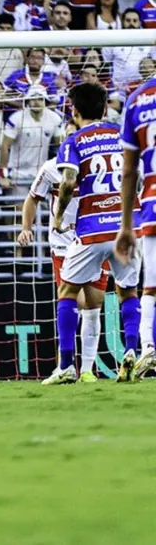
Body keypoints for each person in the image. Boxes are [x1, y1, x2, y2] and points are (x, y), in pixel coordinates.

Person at [53, 83, 142, 381]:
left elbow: (67, 182)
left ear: (74, 111)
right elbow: (136, 175)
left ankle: (66, 365)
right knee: (128, 292)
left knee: (67, 291)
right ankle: (132, 351)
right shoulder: (121, 134)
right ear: (105, 109)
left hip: (91, 229)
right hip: (127, 227)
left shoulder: (74, 140)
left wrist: (58, 216)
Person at [19, 154, 107, 384]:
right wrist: (26, 228)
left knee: (94, 304)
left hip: (93, 239)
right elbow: (32, 198)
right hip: (63, 245)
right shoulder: (50, 168)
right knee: (73, 300)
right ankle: (65, 364)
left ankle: (86, 369)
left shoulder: (95, 165)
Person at [116, 75, 156, 378]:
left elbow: (129, 171)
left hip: (151, 207)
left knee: (151, 288)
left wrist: (126, 226)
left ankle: (148, 348)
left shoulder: (136, 101)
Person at [0, 87, 66, 194]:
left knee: (46, 209)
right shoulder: (16, 118)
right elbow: (4, 146)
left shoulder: (55, 118)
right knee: (22, 209)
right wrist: (3, 175)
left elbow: (62, 146)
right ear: (28, 101)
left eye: (40, 99)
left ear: (45, 101)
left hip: (42, 174)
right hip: (18, 174)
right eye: (33, 99)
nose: (36, 102)